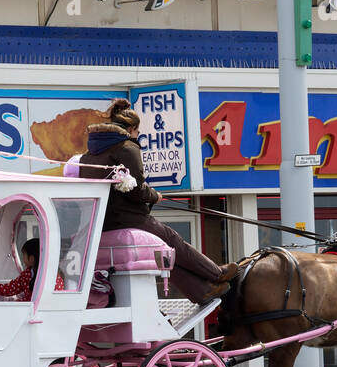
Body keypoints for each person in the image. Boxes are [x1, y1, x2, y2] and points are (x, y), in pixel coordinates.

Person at [78, 98, 237, 303]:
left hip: (102, 222)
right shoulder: (127, 147)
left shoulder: (88, 155)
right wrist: (154, 195)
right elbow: (135, 189)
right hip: (128, 218)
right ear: (132, 128)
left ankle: (203, 290)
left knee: (164, 254)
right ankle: (216, 274)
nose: (138, 136)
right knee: (172, 241)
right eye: (138, 131)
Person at [0, 238, 65, 301]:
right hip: (26, 310)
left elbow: (52, 301)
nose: (23, 259)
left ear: (32, 258)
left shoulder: (52, 277)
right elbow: (10, 289)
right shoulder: (27, 274)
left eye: (24, 255)